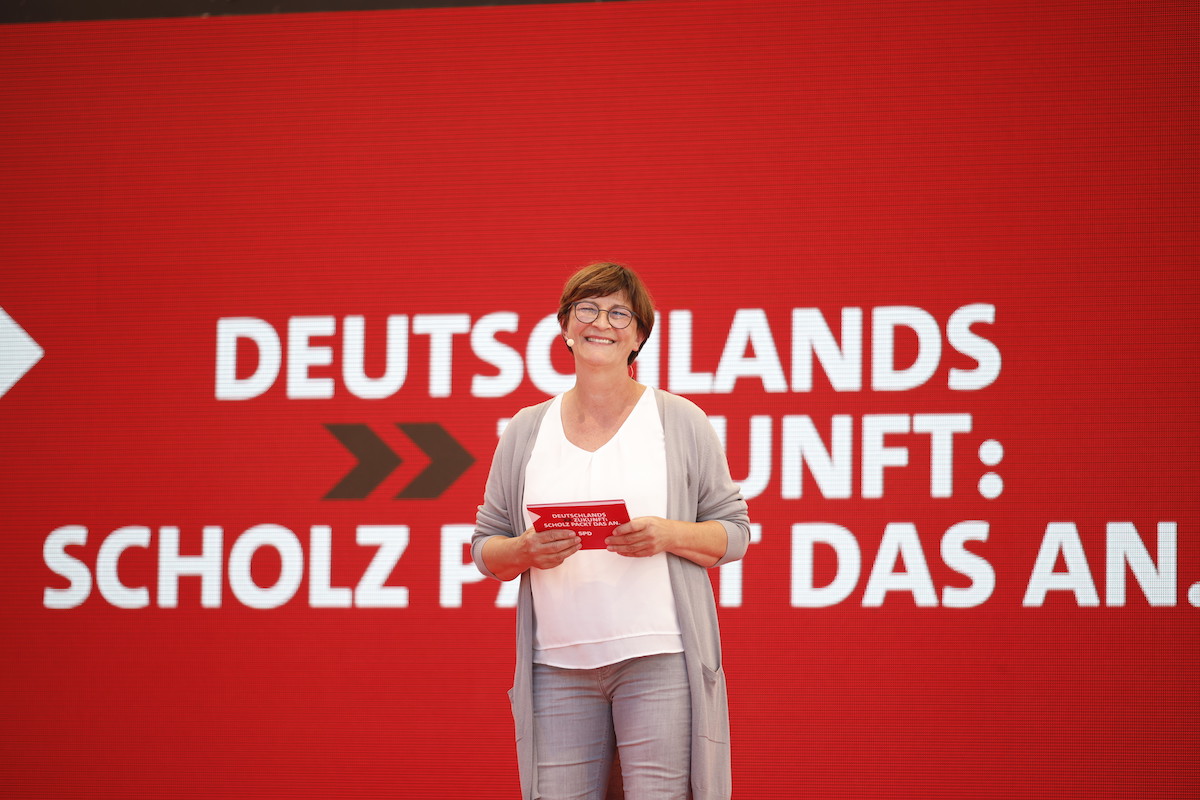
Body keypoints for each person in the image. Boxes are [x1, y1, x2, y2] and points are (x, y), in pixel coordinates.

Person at [472, 262, 750, 800]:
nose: (603, 322)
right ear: (565, 327)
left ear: (639, 336)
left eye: (620, 312)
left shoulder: (679, 420)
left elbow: (734, 532)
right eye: (588, 309)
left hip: (660, 659)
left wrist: (668, 535)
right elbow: (487, 549)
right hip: (555, 666)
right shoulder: (527, 428)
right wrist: (526, 549)